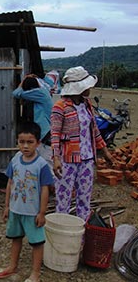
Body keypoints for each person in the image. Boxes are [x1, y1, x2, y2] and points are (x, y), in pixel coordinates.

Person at [0, 122, 54, 282]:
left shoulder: (41, 165)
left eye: (30, 142)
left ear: (38, 143)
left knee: (37, 243)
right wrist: (7, 206)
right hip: (15, 210)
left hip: (32, 213)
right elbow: (10, 182)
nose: (25, 146)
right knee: (15, 238)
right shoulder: (16, 159)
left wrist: (42, 212)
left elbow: (45, 189)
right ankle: (12, 267)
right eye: (21, 142)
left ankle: (35, 274)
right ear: (17, 142)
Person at [51, 66, 115, 221]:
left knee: (84, 199)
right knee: (63, 199)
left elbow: (94, 130)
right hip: (67, 160)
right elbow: (55, 135)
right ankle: (62, 233)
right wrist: (56, 158)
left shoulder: (87, 105)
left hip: (87, 159)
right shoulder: (60, 107)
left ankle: (82, 236)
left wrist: (105, 151)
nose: (90, 89)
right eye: (87, 86)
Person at [12, 74, 54, 170]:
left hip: (45, 135)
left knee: (46, 164)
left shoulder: (40, 93)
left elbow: (16, 93)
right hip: (41, 134)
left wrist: (22, 82)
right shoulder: (38, 95)